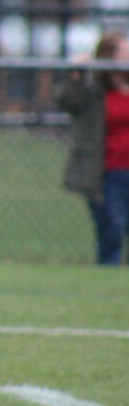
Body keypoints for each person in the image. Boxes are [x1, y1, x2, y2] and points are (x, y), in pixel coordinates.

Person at [59, 32, 129, 266]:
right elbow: (68, 101)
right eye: (124, 52)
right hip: (109, 172)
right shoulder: (95, 90)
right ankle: (107, 273)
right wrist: (76, 73)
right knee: (112, 227)